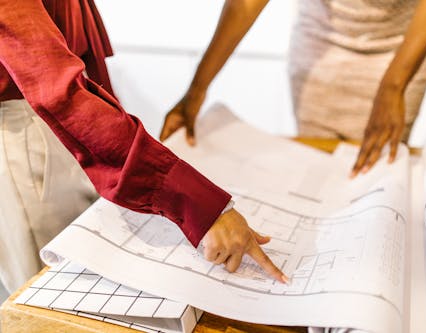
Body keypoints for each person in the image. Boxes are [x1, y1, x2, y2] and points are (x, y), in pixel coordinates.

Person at [0, 0, 286, 293]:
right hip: (29, 131)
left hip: (64, 121)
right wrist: (197, 203)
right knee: (48, 291)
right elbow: (59, 92)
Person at [159, 0, 426, 176]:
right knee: (321, 173)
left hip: (400, 53)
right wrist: (197, 89)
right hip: (319, 47)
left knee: (378, 173)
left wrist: (394, 85)